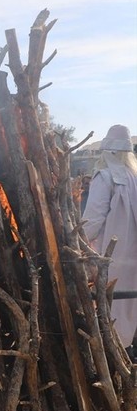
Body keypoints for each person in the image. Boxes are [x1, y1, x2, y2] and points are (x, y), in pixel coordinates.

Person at [82, 124, 137, 347]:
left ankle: (115, 353)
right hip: (133, 255)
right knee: (130, 305)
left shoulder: (104, 177)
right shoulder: (134, 177)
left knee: (111, 306)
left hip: (111, 255)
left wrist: (78, 242)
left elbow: (92, 220)